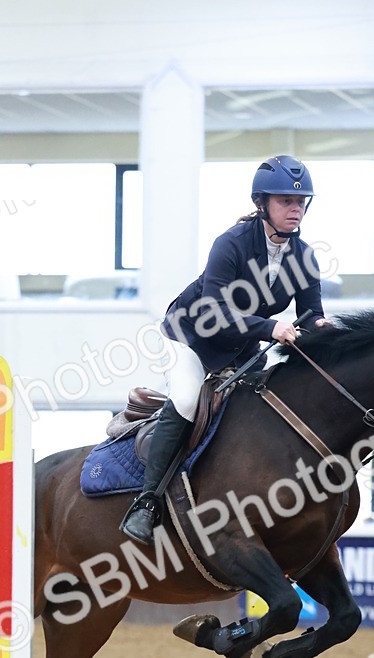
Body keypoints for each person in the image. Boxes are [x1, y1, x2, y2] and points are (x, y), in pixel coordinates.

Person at [120, 154, 334, 546]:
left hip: (241, 343)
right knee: (186, 399)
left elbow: (310, 315)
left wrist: (323, 328)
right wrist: (272, 328)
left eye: (301, 202)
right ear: (262, 203)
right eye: (286, 201)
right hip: (191, 335)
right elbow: (214, 311)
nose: (295, 209)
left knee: (254, 411)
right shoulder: (230, 244)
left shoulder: (304, 256)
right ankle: (146, 502)